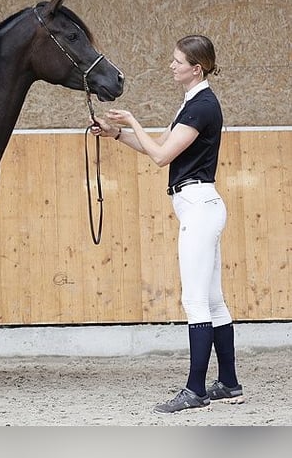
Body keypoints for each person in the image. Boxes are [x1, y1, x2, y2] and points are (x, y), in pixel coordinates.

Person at [90, 35, 244, 414]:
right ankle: (228, 382)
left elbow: (159, 156)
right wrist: (118, 135)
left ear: (197, 68)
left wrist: (132, 120)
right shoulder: (194, 104)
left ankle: (196, 390)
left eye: (178, 61)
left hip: (198, 205)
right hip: (199, 204)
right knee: (212, 300)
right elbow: (159, 146)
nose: (172, 65)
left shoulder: (202, 107)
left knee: (196, 302)